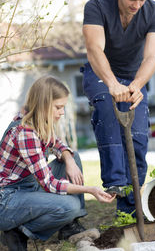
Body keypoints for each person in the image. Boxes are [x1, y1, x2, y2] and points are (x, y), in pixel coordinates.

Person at [81, 0, 155, 216]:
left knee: (138, 135)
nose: (137, 5)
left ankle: (130, 210)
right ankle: (116, 181)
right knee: (108, 108)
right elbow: (94, 49)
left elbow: (151, 57)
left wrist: (137, 85)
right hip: (100, 73)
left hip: (133, 77)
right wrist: (111, 83)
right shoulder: (96, 6)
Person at [0, 75, 115, 251]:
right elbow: (50, 184)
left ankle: (69, 226)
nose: (62, 112)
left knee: (72, 156)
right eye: (58, 107)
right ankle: (18, 231)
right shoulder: (25, 132)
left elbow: (57, 144)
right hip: (7, 200)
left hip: (26, 187)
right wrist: (91, 190)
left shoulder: (37, 120)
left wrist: (68, 159)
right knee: (70, 206)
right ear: (43, 104)